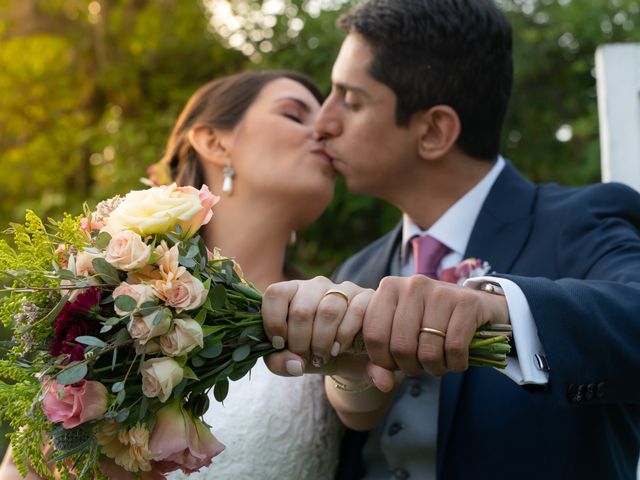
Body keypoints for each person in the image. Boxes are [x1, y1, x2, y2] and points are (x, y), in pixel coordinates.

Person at [261, 1, 640, 479]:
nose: (323, 124)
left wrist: (502, 307)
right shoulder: (354, 273)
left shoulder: (580, 222)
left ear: (435, 131)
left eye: (352, 101)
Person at [0, 70, 343, 479]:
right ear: (215, 142)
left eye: (326, 122)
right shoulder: (113, 300)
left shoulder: (332, 308)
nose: (324, 131)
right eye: (294, 114)